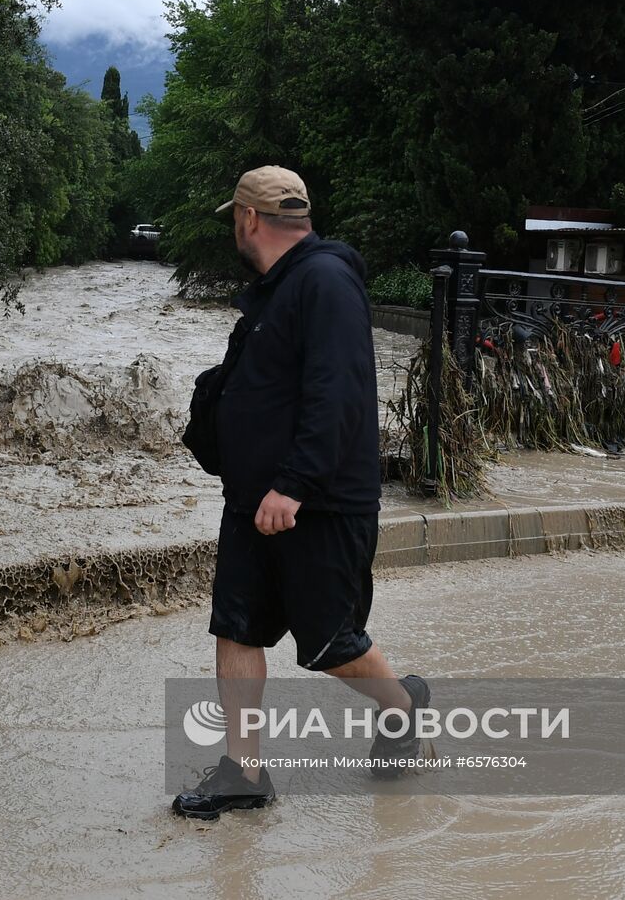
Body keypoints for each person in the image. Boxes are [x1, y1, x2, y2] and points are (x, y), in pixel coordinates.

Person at [172, 166, 431, 821]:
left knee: (327, 642)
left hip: (315, 503)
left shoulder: (326, 281)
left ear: (250, 219)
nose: (235, 226)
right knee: (237, 625)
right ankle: (244, 772)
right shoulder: (272, 291)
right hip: (254, 501)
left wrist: (293, 483)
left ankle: (403, 706)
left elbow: (338, 392)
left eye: (235, 216)